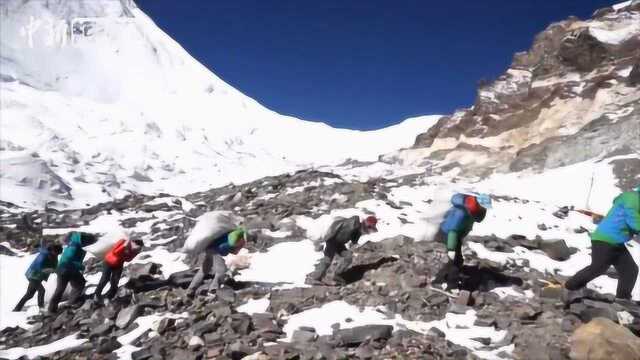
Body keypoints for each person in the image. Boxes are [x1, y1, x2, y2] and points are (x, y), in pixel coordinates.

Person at [565, 187, 640, 300]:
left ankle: (622, 300)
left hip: (617, 242)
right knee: (598, 267)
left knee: (630, 270)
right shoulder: (632, 199)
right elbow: (634, 221)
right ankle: (569, 287)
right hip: (605, 239)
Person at [434, 193, 492, 289]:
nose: (485, 210)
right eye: (484, 207)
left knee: (456, 260)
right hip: (447, 236)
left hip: (453, 236)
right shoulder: (461, 213)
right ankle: (446, 284)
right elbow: (453, 231)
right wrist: (451, 249)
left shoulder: (471, 210)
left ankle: (445, 280)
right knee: (453, 261)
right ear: (479, 204)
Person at [307, 215, 378, 285]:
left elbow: (353, 242)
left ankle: (336, 276)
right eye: (370, 228)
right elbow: (342, 233)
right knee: (327, 259)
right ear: (366, 225)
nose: (369, 232)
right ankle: (314, 277)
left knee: (348, 257)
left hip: (339, 244)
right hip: (332, 241)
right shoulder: (352, 225)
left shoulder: (357, 230)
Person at [186, 227, 253, 298]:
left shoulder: (232, 234)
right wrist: (238, 245)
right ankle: (213, 289)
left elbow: (231, 250)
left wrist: (237, 247)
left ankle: (190, 291)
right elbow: (231, 243)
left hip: (209, 249)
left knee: (204, 270)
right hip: (215, 250)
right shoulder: (238, 233)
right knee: (222, 270)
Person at [48, 231, 95, 313]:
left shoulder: (76, 245)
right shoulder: (75, 246)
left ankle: (70, 302)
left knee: (78, 284)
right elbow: (68, 260)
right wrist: (82, 267)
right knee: (61, 289)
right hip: (65, 269)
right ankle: (53, 309)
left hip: (69, 269)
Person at [13, 243, 63, 312]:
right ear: (52, 250)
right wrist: (49, 270)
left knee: (29, 295)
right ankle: (41, 308)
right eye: (56, 253)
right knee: (41, 290)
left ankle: (17, 309)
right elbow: (39, 267)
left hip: (38, 277)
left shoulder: (53, 255)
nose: (57, 254)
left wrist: (56, 270)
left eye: (58, 253)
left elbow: (41, 248)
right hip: (33, 275)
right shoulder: (44, 255)